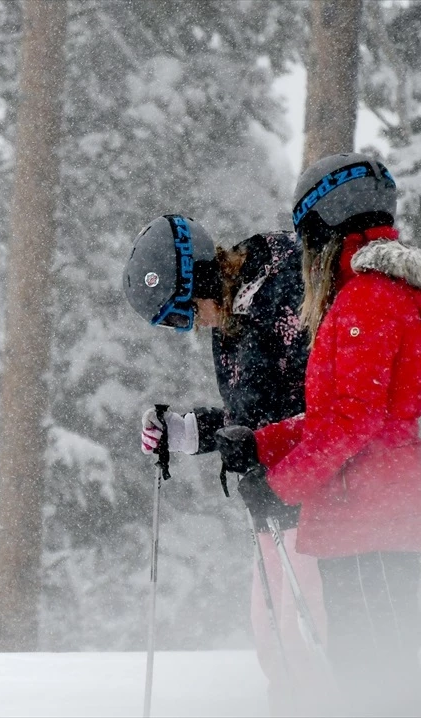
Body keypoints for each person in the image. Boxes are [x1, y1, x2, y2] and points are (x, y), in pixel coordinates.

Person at [215, 152, 421, 714]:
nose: (306, 256)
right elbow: (337, 415)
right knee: (367, 675)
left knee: (374, 677)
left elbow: (353, 423)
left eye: (309, 239)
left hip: (369, 522)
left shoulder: (368, 299)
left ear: (329, 229)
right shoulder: (365, 296)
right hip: (363, 519)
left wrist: (281, 486)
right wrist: (262, 445)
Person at [122, 215, 326, 713]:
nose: (190, 327)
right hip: (272, 502)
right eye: (175, 323)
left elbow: (320, 405)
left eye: (183, 313)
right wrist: (189, 431)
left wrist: (260, 447)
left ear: (202, 277)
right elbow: (250, 416)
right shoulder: (233, 313)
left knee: (315, 629)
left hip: (317, 496)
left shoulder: (283, 289)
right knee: (273, 634)